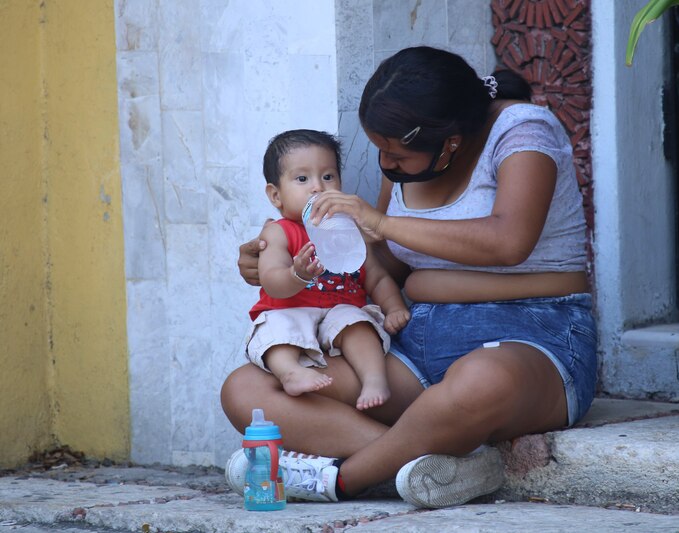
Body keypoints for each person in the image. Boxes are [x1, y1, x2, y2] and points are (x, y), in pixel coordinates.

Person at [222, 46, 597, 508]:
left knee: (479, 381)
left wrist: (380, 224)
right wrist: (285, 265)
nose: (387, 164)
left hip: (536, 334)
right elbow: (389, 264)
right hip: (417, 342)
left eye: (395, 153)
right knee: (246, 389)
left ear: (451, 142)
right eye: (381, 150)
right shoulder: (402, 160)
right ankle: (428, 460)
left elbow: (508, 240)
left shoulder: (522, 131)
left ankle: (342, 479)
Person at [246, 129, 409, 411]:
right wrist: (296, 274)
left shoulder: (350, 229)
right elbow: (271, 281)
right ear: (276, 195)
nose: (317, 188)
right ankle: (290, 372)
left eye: (328, 176)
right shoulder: (278, 232)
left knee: (359, 326)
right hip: (291, 309)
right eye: (302, 179)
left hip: (341, 310)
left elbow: (376, 276)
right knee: (275, 331)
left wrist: (393, 307)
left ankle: (373, 379)